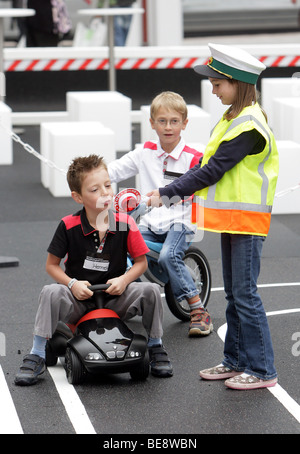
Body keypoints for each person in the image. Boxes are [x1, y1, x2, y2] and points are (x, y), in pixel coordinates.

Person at [147, 44, 279, 390]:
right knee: (236, 295)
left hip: (247, 223)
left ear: (237, 83)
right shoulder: (232, 118)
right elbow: (208, 169)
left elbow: (212, 170)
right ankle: (235, 361)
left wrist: (165, 193)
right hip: (233, 221)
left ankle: (263, 369)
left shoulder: (248, 125)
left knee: (245, 295)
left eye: (218, 83)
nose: (212, 88)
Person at [15, 155, 173, 386]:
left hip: (114, 297)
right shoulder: (68, 225)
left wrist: (124, 279)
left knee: (149, 290)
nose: (106, 194)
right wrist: (72, 284)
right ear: (78, 197)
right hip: (80, 299)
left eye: (108, 186)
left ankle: (156, 346)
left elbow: (141, 263)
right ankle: (37, 354)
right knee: (50, 291)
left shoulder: (125, 223)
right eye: (95, 189)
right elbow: (51, 265)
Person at [108, 91, 213, 337]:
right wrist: (94, 179)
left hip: (181, 221)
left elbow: (193, 186)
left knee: (168, 256)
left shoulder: (193, 157)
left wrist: (158, 199)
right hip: (151, 221)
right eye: (162, 121)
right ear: (152, 123)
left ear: (184, 124)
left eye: (174, 121)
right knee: (119, 246)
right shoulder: (145, 152)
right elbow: (115, 169)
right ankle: (129, 300)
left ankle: (198, 310)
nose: (168, 127)